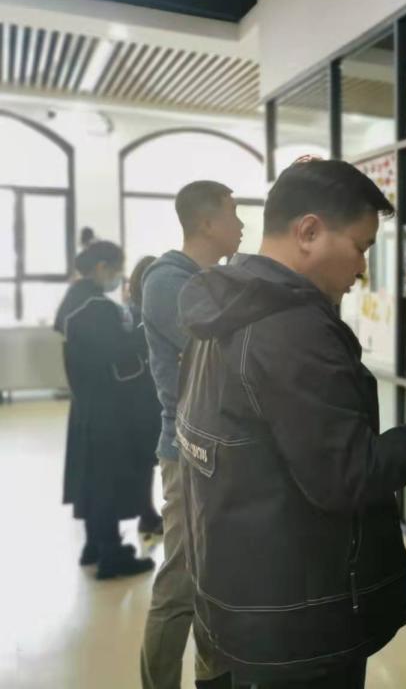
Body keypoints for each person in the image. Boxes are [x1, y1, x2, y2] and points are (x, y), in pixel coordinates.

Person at [174, 159, 406, 688]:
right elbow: (348, 474)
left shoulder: (225, 307)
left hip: (239, 597)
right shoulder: (291, 329)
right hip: (297, 618)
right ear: (309, 232)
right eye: (361, 247)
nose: (362, 268)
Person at [140, 181, 243, 689]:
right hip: (185, 451)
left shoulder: (212, 280)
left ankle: (214, 677)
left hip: (220, 449)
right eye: (233, 213)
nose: (241, 224)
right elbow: (223, 352)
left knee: (217, 580)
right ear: (206, 223)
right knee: (181, 582)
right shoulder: (167, 281)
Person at [54, 240, 155, 580]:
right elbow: (119, 354)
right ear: (102, 268)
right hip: (107, 408)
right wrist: (146, 329)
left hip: (86, 403)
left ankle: (94, 546)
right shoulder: (95, 307)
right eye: (117, 269)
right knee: (106, 481)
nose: (118, 277)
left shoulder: (74, 300)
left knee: (92, 478)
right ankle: (111, 555)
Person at [127, 255, 163, 537]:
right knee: (145, 461)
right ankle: (146, 515)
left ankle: (147, 513)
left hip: (142, 398)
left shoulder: (134, 312)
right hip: (144, 399)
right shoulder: (140, 316)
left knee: (145, 462)